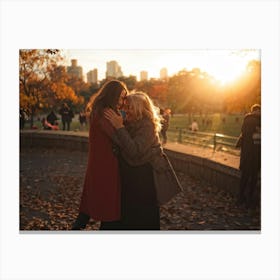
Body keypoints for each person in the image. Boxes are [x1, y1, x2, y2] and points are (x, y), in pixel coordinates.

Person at [104, 92, 182, 230]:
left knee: (143, 219)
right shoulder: (129, 123)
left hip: (144, 180)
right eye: (126, 106)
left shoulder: (148, 126)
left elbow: (134, 151)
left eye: (130, 107)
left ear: (141, 109)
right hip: (131, 178)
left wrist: (119, 127)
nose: (125, 110)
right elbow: (120, 143)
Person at [71, 80, 128, 230]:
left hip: (99, 163)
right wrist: (120, 125)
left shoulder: (100, 110)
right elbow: (119, 140)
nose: (122, 102)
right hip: (107, 165)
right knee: (109, 211)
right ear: (112, 95)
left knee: (88, 208)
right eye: (121, 97)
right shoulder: (105, 113)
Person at [236, 104, 261, 208]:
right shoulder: (259, 120)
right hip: (256, 154)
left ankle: (240, 198)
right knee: (254, 178)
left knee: (245, 177)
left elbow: (244, 135)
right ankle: (250, 200)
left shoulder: (246, 120)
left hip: (246, 154)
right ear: (258, 111)